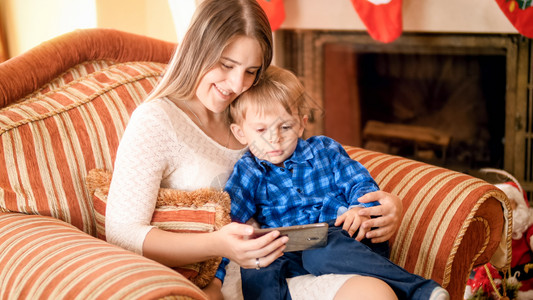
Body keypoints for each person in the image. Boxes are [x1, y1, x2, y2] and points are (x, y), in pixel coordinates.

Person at [105, 0, 404, 299]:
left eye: (251, 71)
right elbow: (122, 233)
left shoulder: (250, 109)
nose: (236, 84)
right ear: (198, 49)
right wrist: (217, 245)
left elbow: (316, 163)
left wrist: (388, 206)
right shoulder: (157, 120)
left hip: (295, 264)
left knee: (376, 294)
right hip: (230, 282)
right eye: (226, 65)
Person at [225, 65, 450, 300]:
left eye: (285, 127)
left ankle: (419, 290)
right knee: (256, 265)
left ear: (301, 124)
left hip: (345, 238)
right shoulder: (248, 171)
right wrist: (218, 267)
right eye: (261, 130)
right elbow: (227, 218)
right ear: (241, 133)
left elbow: (359, 183)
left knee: (319, 253)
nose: (274, 139)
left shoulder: (324, 150)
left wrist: (359, 209)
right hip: (291, 250)